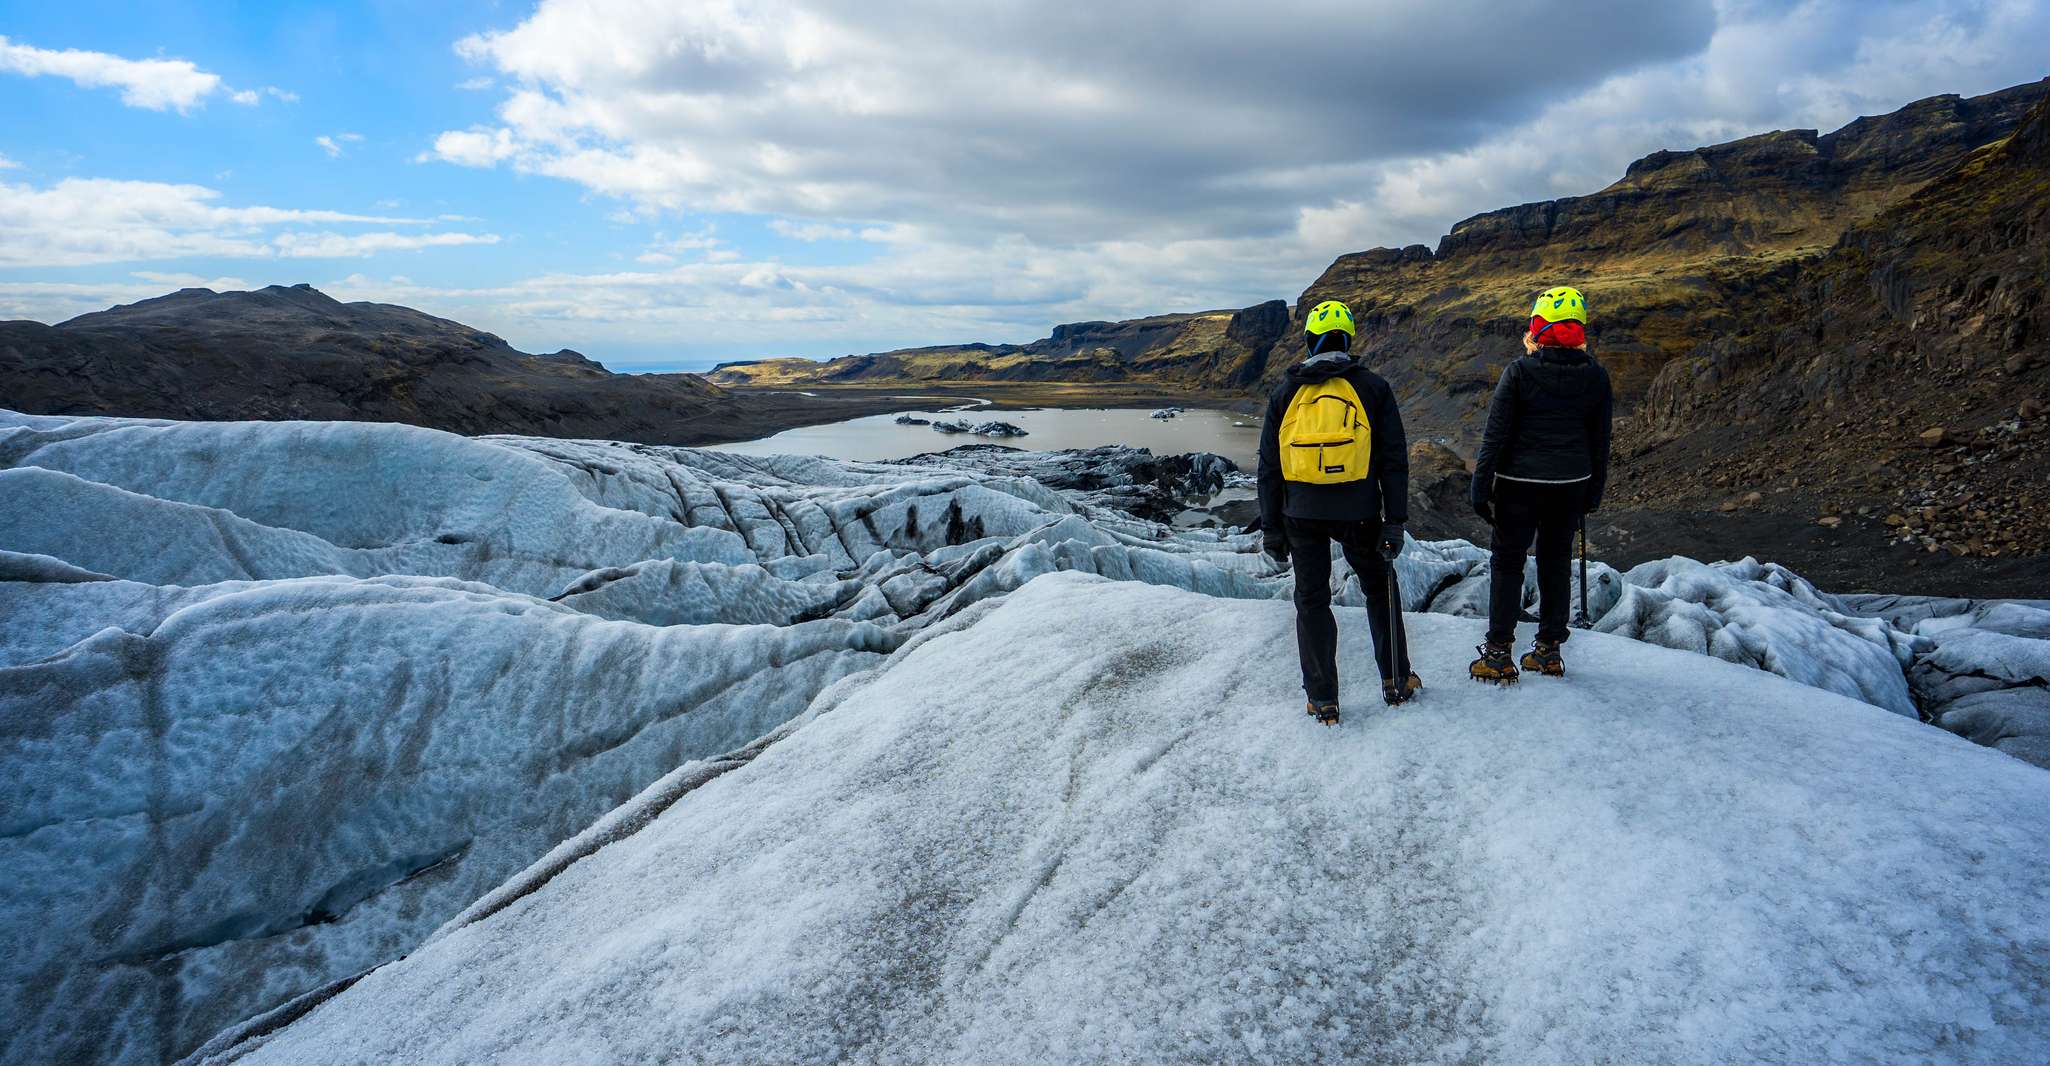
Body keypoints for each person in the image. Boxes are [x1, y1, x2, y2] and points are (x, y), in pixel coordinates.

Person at [1257, 299, 1419, 724]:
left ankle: (1323, 698)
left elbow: (1269, 469)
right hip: (1360, 510)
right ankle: (1396, 681)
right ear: (1348, 339)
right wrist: (1395, 521)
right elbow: (1393, 460)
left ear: (1309, 341)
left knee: (1312, 599)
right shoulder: (1372, 387)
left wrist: (1272, 528)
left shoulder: (1286, 391)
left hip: (1301, 512)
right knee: (1379, 588)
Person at [1468, 286, 1614, 683]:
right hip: (1570, 483)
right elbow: (1600, 440)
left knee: (1508, 563)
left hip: (1517, 484)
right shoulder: (1596, 376)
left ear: (1539, 327)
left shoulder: (1519, 372)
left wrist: (1480, 489)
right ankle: (1549, 651)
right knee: (1555, 562)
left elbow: (1495, 436)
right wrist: (1593, 492)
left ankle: (1498, 654)